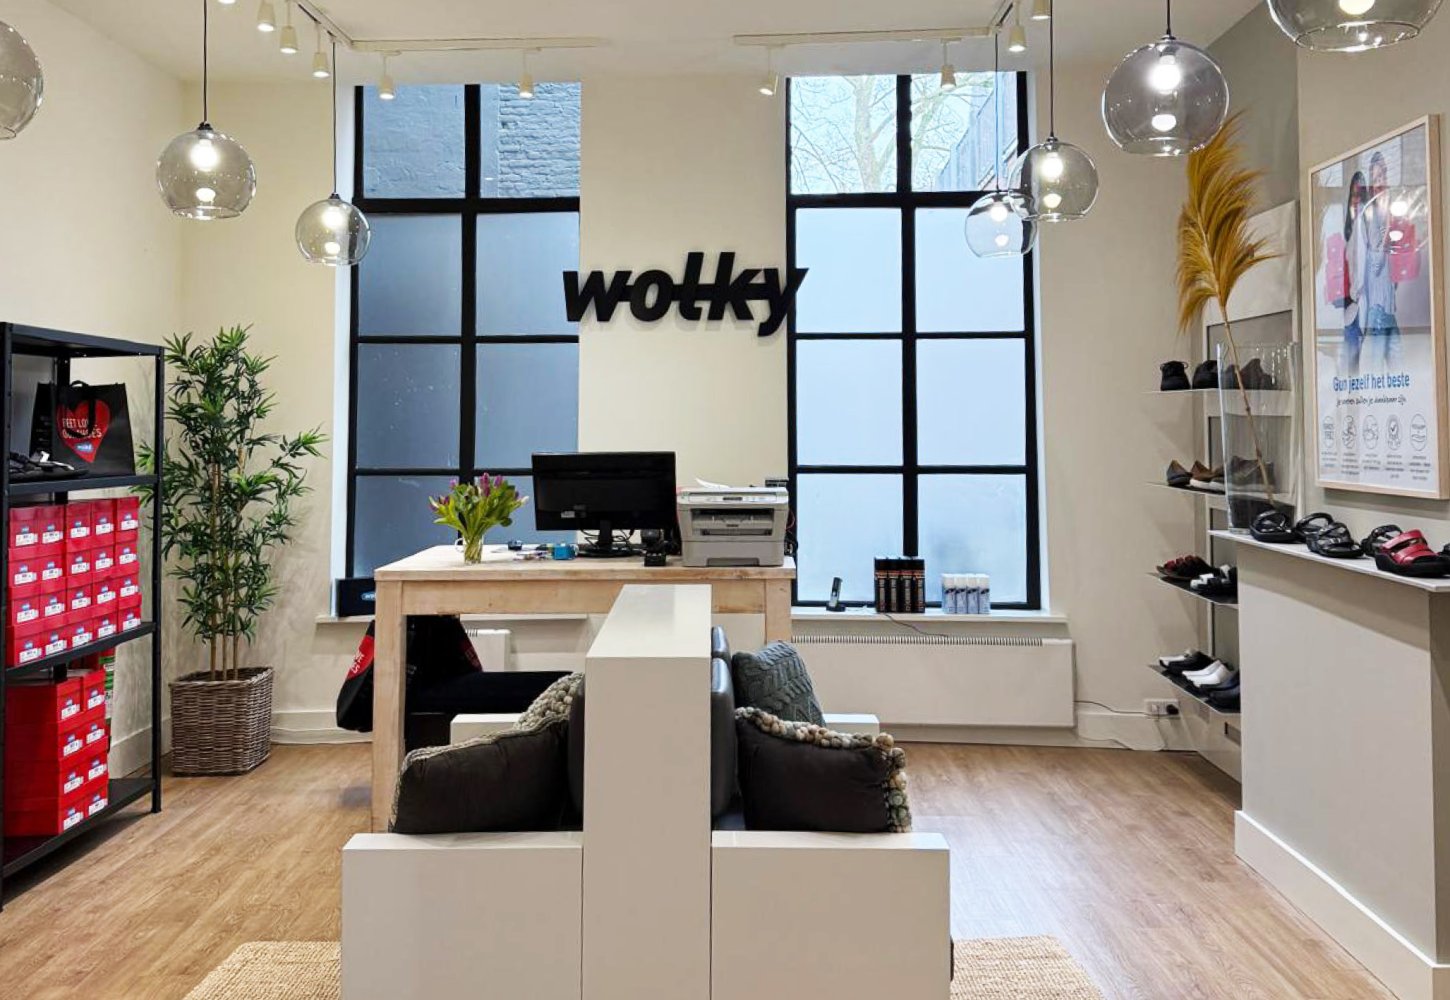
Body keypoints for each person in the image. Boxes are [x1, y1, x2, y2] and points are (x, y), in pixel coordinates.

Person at [1362, 151, 1402, 371]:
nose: (1380, 182)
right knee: (1379, 371)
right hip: (1378, 309)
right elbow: (1376, 261)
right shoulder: (1372, 212)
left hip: (1388, 308)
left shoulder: (1387, 210)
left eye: (1383, 176)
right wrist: (1388, 224)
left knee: (1398, 370)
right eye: (1376, 178)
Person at [1339, 170, 1369, 376]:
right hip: (1349, 308)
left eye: (1360, 195)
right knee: (1351, 369)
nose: (1356, 200)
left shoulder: (1367, 230)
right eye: (1353, 195)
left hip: (1364, 304)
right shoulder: (1346, 234)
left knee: (1364, 367)